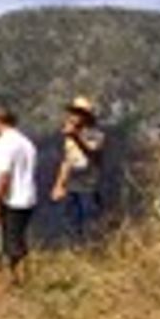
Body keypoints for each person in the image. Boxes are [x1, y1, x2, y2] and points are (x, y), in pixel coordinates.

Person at [0, 104, 43, 273]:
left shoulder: (3, 143)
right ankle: (23, 274)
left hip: (12, 199)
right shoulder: (26, 142)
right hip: (29, 196)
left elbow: (4, 175)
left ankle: (17, 279)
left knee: (11, 243)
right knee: (20, 238)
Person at [52, 96, 110, 242]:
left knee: (91, 226)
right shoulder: (69, 137)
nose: (73, 116)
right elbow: (67, 161)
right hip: (72, 186)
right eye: (72, 112)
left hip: (89, 187)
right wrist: (59, 184)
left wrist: (76, 137)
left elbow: (92, 152)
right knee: (71, 227)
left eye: (77, 113)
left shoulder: (96, 134)